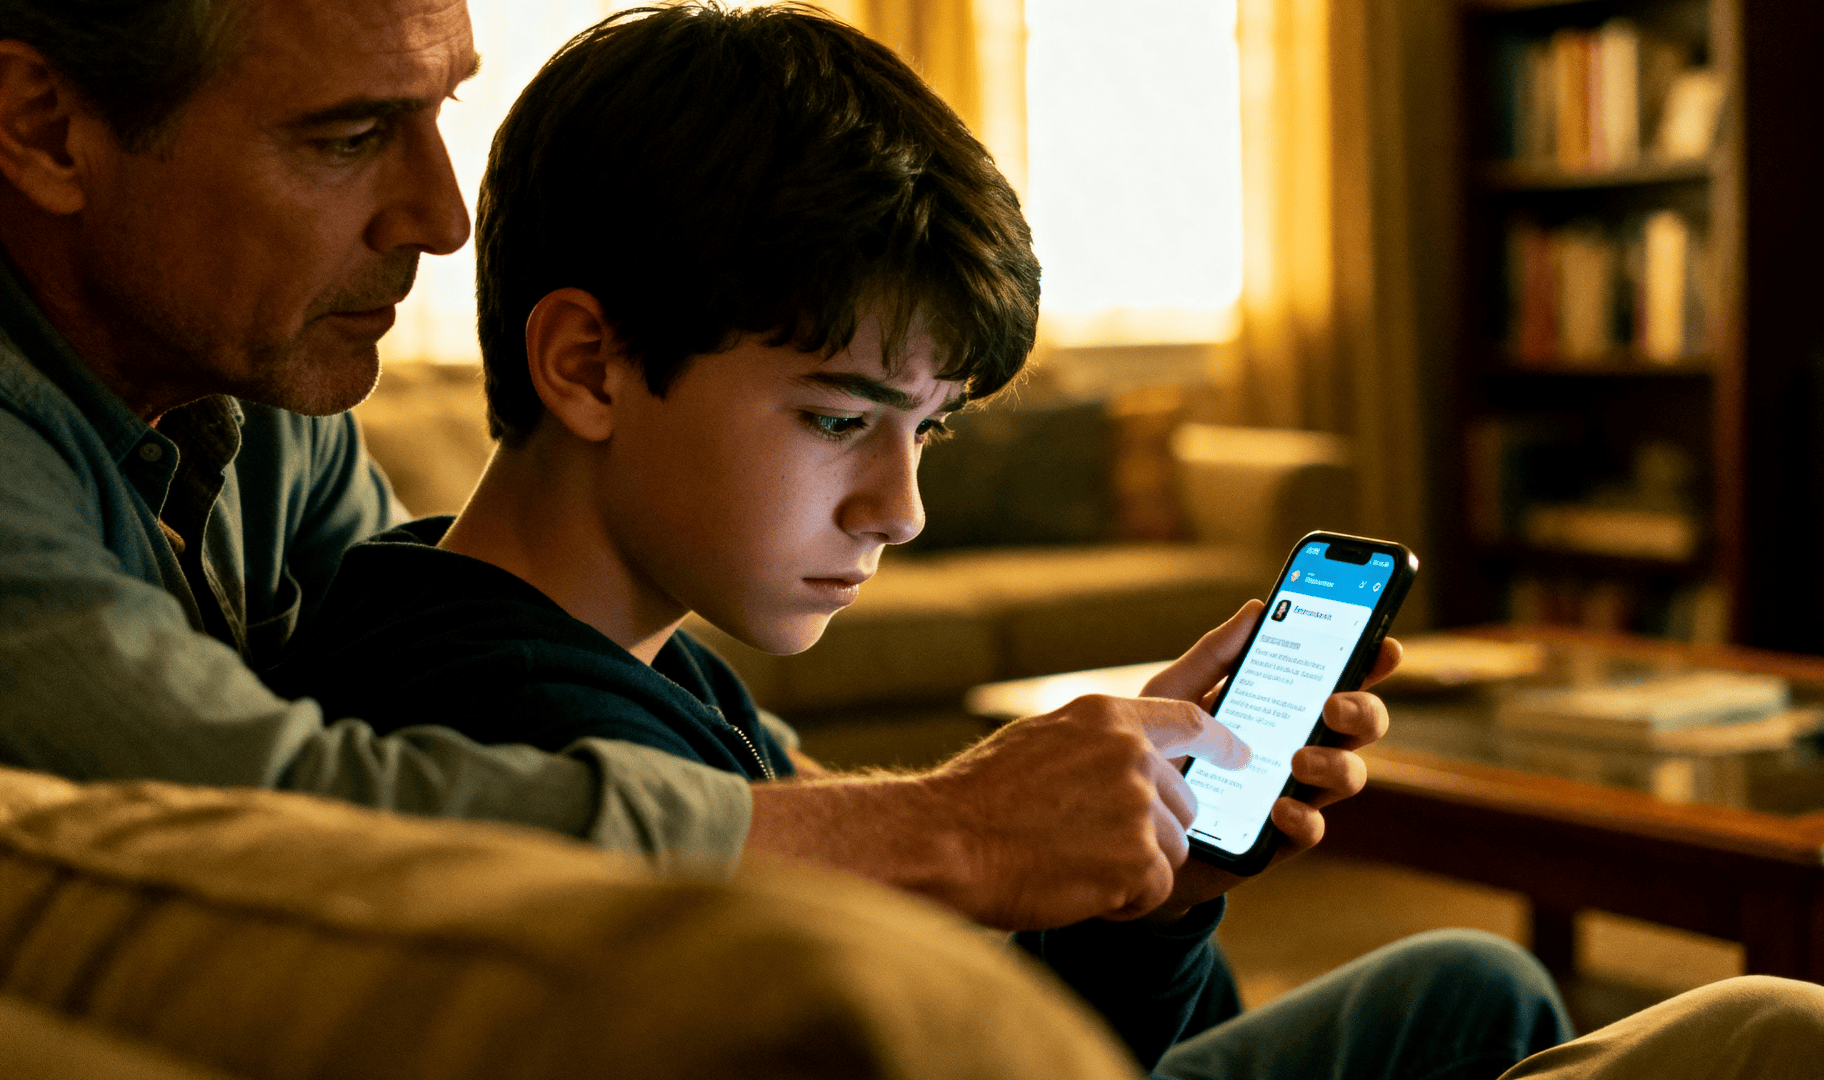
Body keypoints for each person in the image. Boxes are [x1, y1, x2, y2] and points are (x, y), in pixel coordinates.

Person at [260, 7, 1824, 1080]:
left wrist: (1148, 897)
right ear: (588, 364)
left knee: (1472, 984)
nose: (899, 509)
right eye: (840, 420)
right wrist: (996, 848)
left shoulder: (645, 671)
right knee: (1792, 1035)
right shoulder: (489, 719)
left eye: (931, 431)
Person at [0, 0, 1296, 930]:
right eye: (346, 134)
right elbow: (286, 808)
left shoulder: (265, 394)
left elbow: (432, 631)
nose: (444, 219)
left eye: (442, 109)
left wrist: (1115, 876)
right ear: (48, 129)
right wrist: (958, 830)